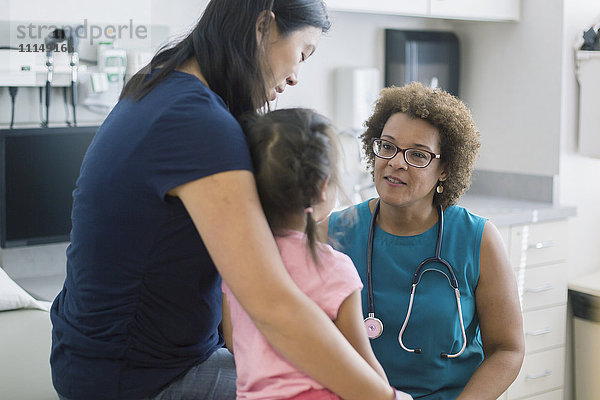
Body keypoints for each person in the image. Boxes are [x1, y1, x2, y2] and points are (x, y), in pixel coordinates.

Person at [50, 1, 398, 399]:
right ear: (263, 25)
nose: (296, 76)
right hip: (135, 380)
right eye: (302, 53)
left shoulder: (160, 84)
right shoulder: (198, 123)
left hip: (96, 360)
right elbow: (273, 307)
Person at [324, 82, 525, 400]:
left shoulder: (478, 239)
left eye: (417, 154)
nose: (396, 162)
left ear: (445, 168)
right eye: (387, 146)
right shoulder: (334, 233)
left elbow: (507, 350)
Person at [221, 109, 413, 400]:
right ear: (322, 188)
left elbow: (236, 343)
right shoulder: (335, 268)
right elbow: (364, 365)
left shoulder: (237, 261)